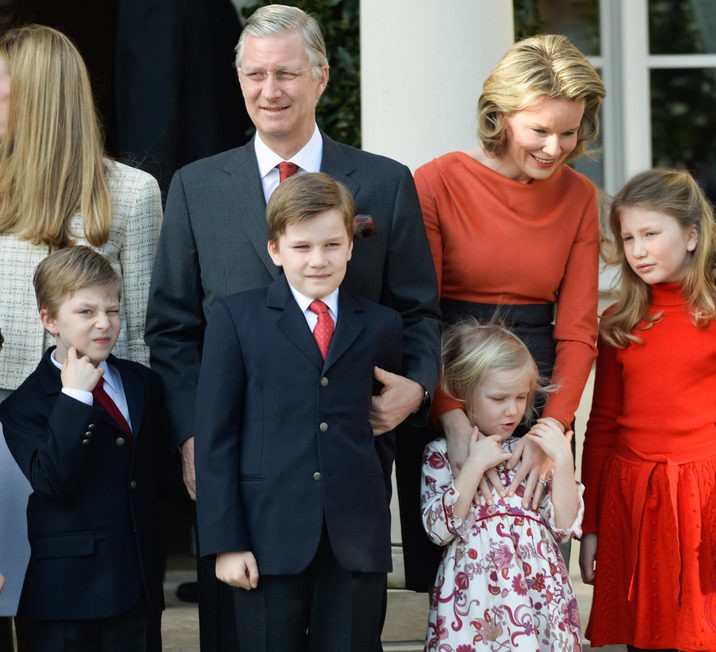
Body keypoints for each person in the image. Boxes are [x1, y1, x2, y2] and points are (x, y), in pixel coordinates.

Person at [144, 5, 440, 647]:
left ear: (322, 77)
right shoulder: (196, 186)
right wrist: (194, 436)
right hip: (237, 479)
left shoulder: (385, 183)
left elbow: (418, 310)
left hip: (345, 477)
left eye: (286, 73)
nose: (269, 90)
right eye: (255, 75)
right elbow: (170, 326)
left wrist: (416, 386)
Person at [408, 33, 605, 590]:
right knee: (452, 573)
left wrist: (553, 428)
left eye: (569, 132)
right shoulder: (437, 180)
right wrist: (450, 418)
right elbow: (420, 313)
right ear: (500, 115)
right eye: (539, 130)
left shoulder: (580, 197)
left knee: (535, 573)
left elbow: (578, 330)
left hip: (539, 389)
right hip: (449, 378)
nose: (555, 147)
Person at [0, 24, 162, 651]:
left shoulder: (131, 192)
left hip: (91, 453)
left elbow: (142, 336)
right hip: (7, 442)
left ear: (38, 97)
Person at [194, 172, 401, 650]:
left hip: (354, 543)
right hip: (266, 540)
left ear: (351, 245)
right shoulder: (235, 319)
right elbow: (215, 437)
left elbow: (381, 433)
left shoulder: (382, 326)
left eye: (332, 245)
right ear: (275, 249)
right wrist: (226, 541)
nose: (318, 260)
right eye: (302, 247)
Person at [579, 168, 716, 651]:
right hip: (630, 500)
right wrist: (592, 528)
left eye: (650, 234)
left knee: (703, 637)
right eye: (627, 238)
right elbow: (600, 427)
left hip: (702, 503)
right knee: (640, 640)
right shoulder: (618, 322)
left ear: (691, 235)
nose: (638, 250)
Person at [0, 245, 170, 651]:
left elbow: (153, 477)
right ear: (49, 320)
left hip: (138, 588)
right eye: (86, 312)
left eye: (112, 310)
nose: (103, 324)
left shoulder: (142, 383)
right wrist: (74, 399)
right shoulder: (23, 405)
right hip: (65, 599)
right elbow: (53, 480)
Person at [421, 321, 584, 650]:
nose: (513, 410)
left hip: (539, 598)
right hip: (476, 604)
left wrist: (564, 463)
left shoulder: (531, 455)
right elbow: (438, 529)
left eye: (521, 397)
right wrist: (474, 464)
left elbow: (564, 527)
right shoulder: (441, 453)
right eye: (498, 398)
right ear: (463, 392)